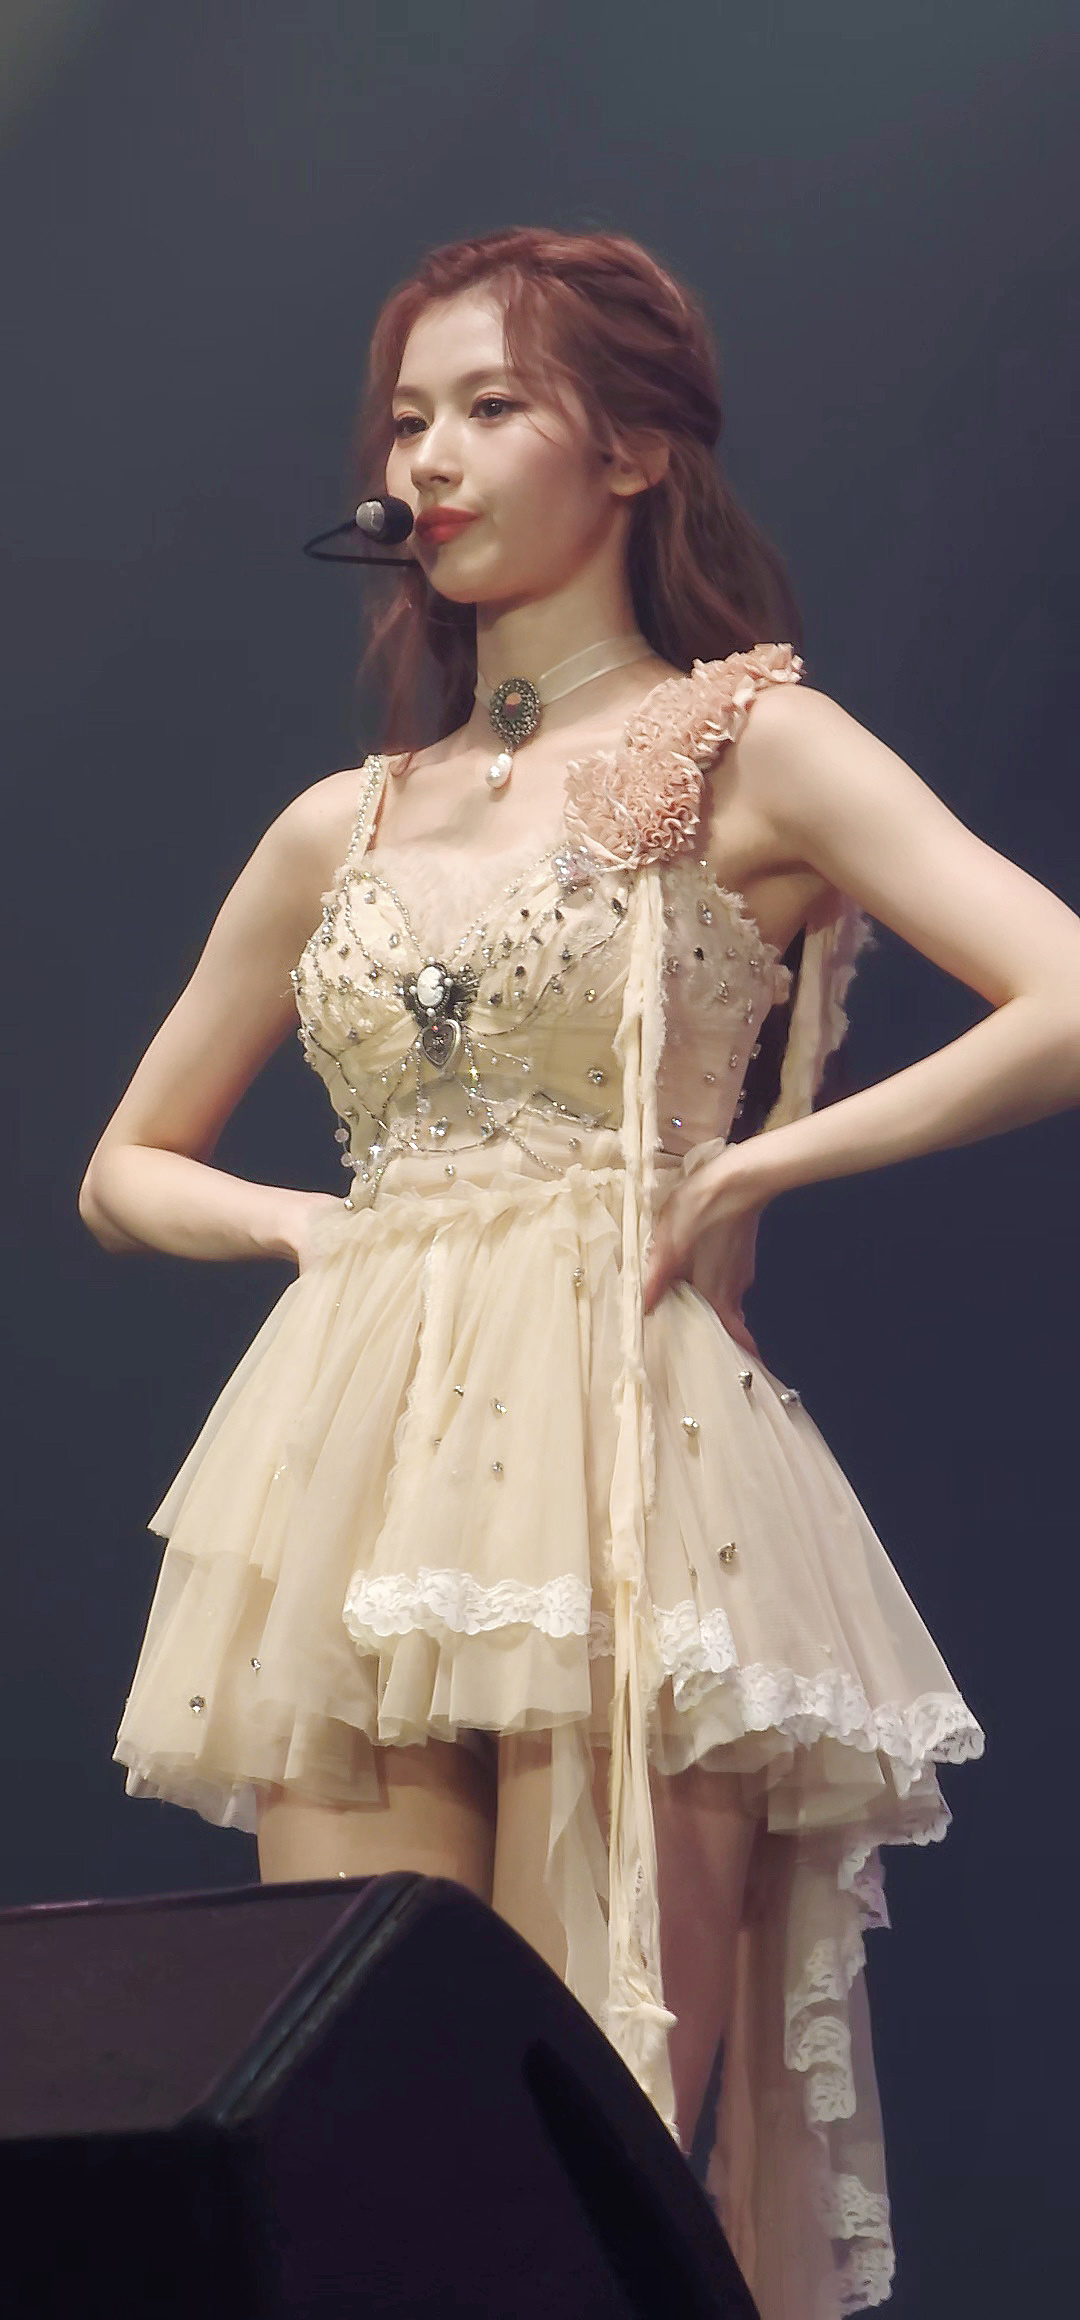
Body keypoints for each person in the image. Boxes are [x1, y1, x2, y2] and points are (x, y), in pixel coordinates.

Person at [80, 226, 1080, 2318]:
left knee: (577, 2149)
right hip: (357, 1482)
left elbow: (1062, 990)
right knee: (354, 2157)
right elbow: (123, 1169)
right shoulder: (341, 824)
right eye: (409, 419)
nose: (427, 459)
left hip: (625, 1464)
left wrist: (761, 1161)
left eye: (490, 406)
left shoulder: (751, 745)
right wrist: (301, 1222)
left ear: (630, 450)